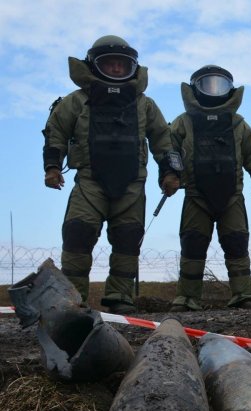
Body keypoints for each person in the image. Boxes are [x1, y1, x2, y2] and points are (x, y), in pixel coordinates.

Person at [42, 35, 181, 314]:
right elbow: (55, 132)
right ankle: (73, 301)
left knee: (128, 240)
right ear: (94, 66)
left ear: (133, 67)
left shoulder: (145, 104)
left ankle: (120, 297)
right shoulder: (76, 101)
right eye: (110, 64)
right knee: (77, 235)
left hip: (131, 185)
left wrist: (170, 173)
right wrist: (52, 167)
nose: (117, 69)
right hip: (89, 182)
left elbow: (163, 140)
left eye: (122, 64)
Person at [168, 65, 251, 312]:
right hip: (195, 195)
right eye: (208, 85)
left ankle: (244, 295)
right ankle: (187, 298)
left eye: (220, 85)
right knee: (192, 244)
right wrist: (170, 176)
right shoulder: (184, 123)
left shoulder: (238, 124)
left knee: (236, 242)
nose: (214, 90)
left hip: (232, 195)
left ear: (229, 90)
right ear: (196, 89)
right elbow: (169, 151)